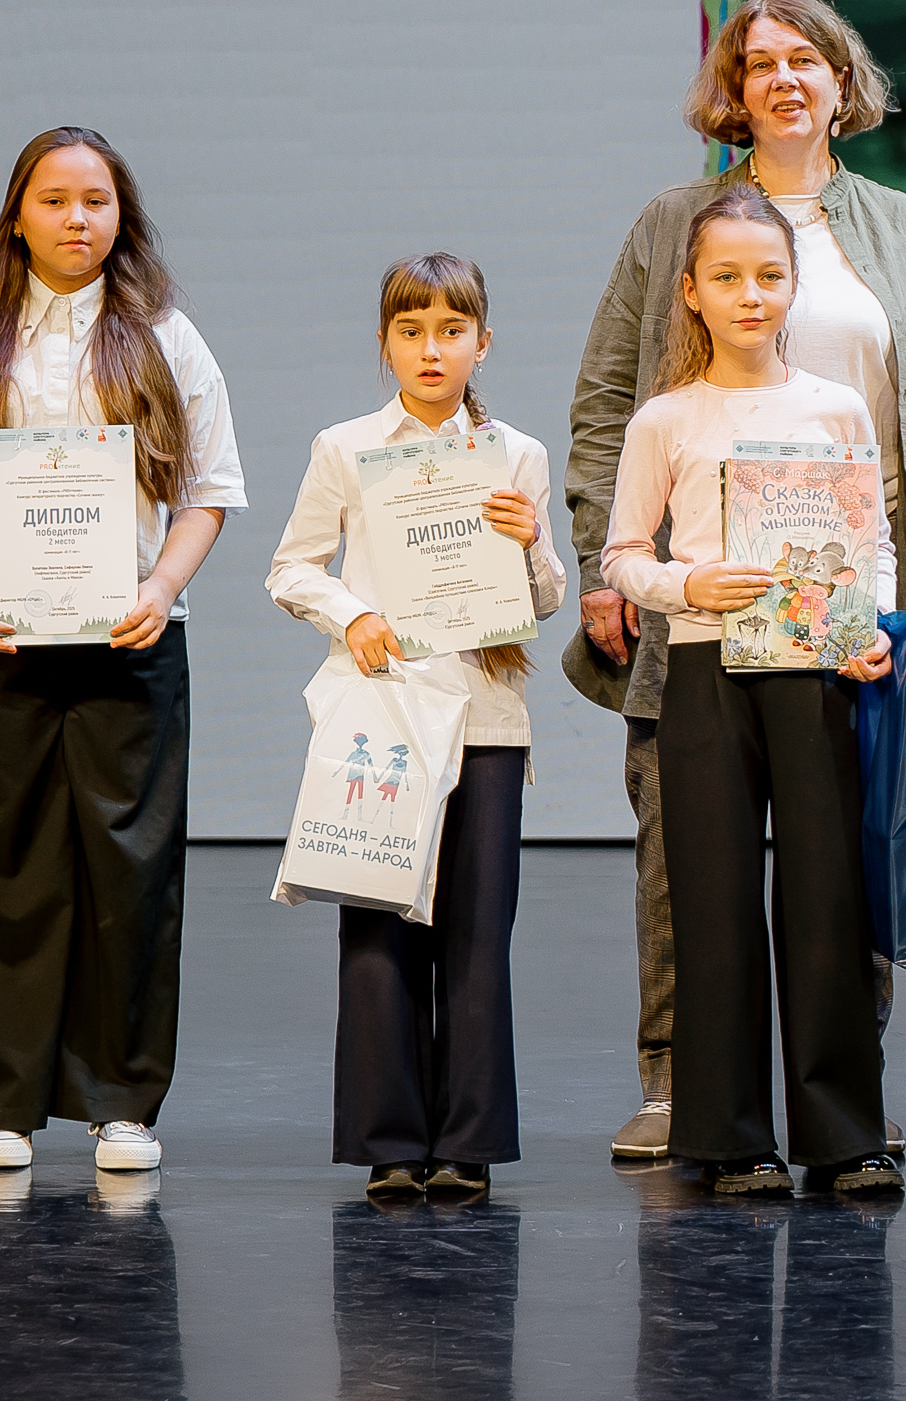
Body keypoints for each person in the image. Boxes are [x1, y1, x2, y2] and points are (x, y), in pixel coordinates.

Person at [568, 0, 906, 1162]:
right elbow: (604, 401)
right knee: (686, 862)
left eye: (808, 59)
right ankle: (684, 1089)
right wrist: (613, 568)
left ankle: (844, 1092)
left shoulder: (904, 228)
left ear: (842, 82)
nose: (785, 79)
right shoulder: (672, 222)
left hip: (846, 612)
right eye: (760, 64)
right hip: (698, 616)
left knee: (839, 860)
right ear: (733, 90)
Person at [0, 126, 246, 1174]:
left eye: (95, 200)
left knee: (131, 875)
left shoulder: (166, 334)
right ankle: (3, 1104)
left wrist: (160, 588)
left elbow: (208, 491)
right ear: (17, 216)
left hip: (131, 644)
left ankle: (122, 1102)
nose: (76, 219)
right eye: (54, 200)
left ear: (120, 214)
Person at [598, 187, 901, 1195]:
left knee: (827, 898)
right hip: (704, 669)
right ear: (690, 291)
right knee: (714, 902)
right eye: (726, 277)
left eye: (769, 275)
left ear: (793, 285)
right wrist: (686, 586)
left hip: (814, 668)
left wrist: (872, 626)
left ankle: (845, 1136)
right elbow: (624, 555)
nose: (750, 294)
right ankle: (728, 1139)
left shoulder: (835, 407)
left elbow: (873, 540)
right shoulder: (665, 418)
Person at [266, 252, 573, 1200]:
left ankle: (467, 1143)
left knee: (478, 938)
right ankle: (390, 1142)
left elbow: (546, 598)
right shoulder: (346, 447)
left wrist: (530, 545)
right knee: (378, 929)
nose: (431, 349)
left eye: (451, 331)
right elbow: (291, 567)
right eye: (411, 331)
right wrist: (351, 615)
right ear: (385, 343)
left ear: (484, 343)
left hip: (484, 718)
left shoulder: (516, 454)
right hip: (385, 713)